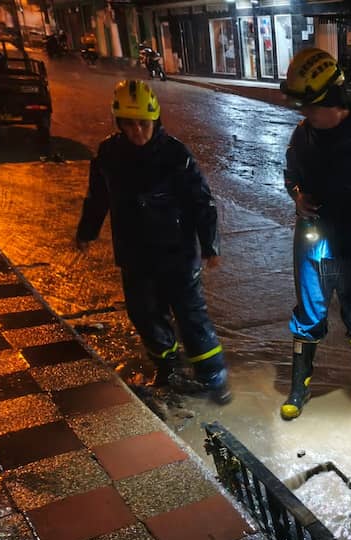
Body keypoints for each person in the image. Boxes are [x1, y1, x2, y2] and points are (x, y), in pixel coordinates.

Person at [75, 80, 231, 404]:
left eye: (143, 124)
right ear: (118, 123)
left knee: (191, 315)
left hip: (177, 251)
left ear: (155, 120)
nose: (137, 131)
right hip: (135, 253)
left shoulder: (175, 155)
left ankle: (212, 376)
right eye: (128, 124)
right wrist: (86, 233)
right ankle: (167, 366)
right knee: (144, 312)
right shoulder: (109, 155)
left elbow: (202, 201)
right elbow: (97, 198)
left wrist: (210, 244)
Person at [278, 48, 351, 420]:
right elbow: (291, 176)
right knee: (309, 313)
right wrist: (297, 197)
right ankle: (300, 387)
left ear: (334, 101)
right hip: (312, 244)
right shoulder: (304, 136)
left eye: (312, 107)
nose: (306, 115)